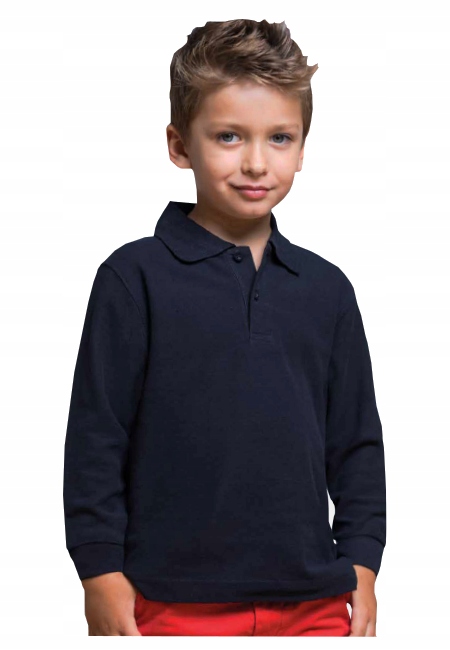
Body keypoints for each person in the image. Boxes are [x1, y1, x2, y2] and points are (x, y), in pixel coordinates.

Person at [63, 18, 386, 637]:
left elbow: (357, 446)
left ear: (303, 147)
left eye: (280, 138)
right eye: (229, 136)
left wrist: (363, 564)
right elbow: (96, 441)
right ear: (179, 145)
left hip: (315, 601)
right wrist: (98, 572)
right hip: (168, 604)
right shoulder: (133, 278)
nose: (257, 163)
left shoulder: (327, 290)